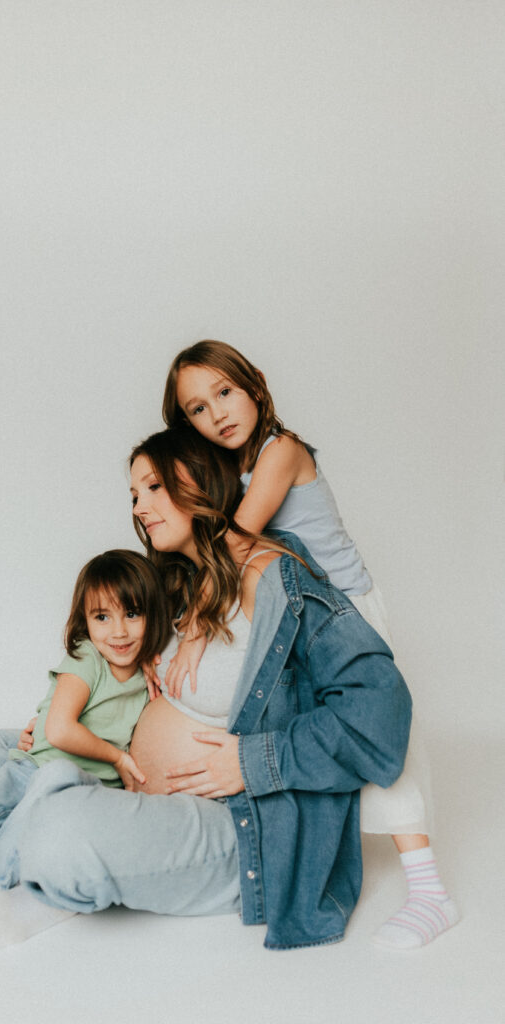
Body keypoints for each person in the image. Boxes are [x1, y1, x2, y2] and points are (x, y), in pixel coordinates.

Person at [0, 426, 414, 952]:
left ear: (197, 483)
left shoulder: (279, 580)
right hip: (133, 778)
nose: (140, 507)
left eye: (153, 487)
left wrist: (252, 761)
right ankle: (66, 848)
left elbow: (380, 713)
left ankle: (53, 885)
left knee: (57, 831)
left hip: (236, 826)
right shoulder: (183, 583)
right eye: (134, 495)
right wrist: (64, 723)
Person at [159, 339, 459, 948]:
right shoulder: (232, 470)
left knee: (387, 738)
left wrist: (190, 631)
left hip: (348, 613)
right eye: (196, 408)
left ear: (255, 385)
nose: (216, 413)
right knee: (326, 737)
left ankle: (430, 892)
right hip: (304, 616)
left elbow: (239, 544)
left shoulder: (281, 452)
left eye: (224, 391)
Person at [0, 549, 170, 907]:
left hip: (81, 793)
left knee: (58, 777)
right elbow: (58, 731)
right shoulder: (87, 657)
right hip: (31, 769)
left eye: (133, 614)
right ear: (85, 621)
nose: (119, 631)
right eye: (102, 617)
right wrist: (117, 758)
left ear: (154, 616)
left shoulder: (151, 672)